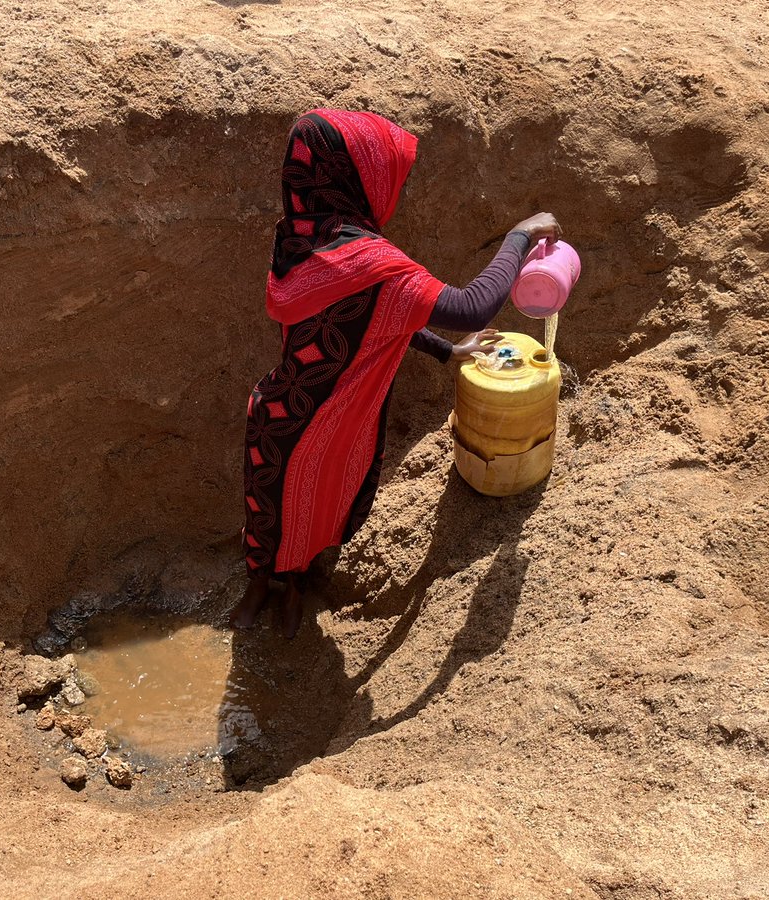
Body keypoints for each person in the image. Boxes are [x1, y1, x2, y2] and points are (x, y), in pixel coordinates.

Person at [232, 108, 561, 638]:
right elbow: (472, 305)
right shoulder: (370, 263)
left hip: (283, 415)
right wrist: (519, 238)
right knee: (282, 510)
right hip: (321, 423)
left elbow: (365, 317)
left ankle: (287, 586)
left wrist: (445, 353)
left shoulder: (298, 237)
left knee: (280, 507)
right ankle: (261, 587)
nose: (394, 190)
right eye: (387, 176)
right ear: (354, 176)